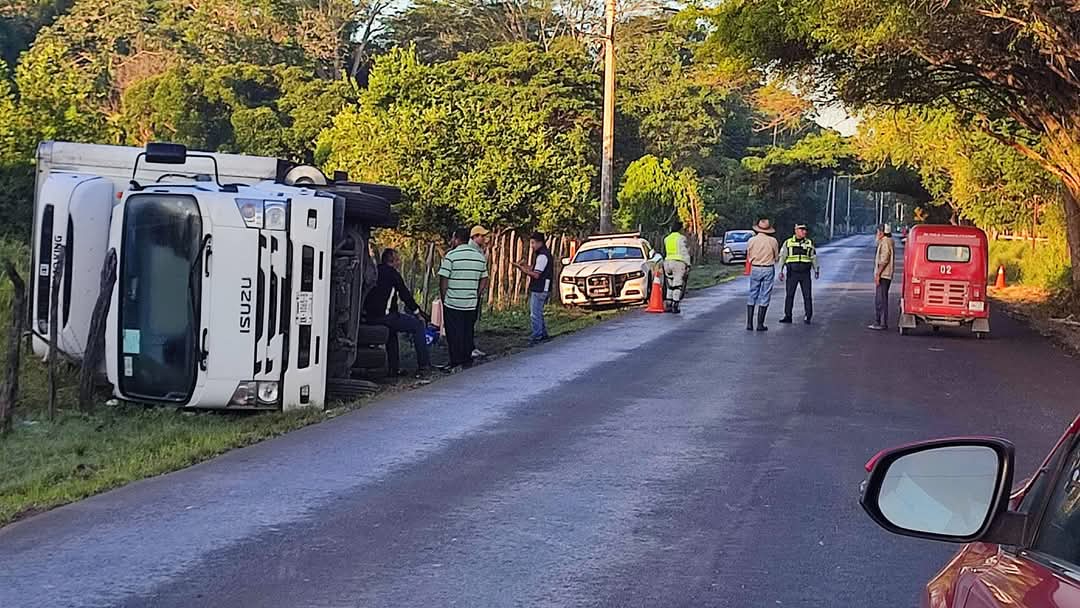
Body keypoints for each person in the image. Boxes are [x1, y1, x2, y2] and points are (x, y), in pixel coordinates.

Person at [365, 248, 432, 377]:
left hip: (370, 316)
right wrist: (418, 314)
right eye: (398, 259)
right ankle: (424, 365)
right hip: (386, 316)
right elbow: (405, 295)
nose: (400, 262)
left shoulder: (375, 271)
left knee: (392, 332)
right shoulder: (393, 274)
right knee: (417, 326)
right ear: (392, 261)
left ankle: (393, 369)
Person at [438, 227, 489, 370]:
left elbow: (444, 279)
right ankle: (467, 360)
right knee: (467, 331)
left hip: (453, 302)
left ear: (456, 238)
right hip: (471, 302)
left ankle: (455, 361)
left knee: (454, 333)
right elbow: (484, 279)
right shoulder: (479, 257)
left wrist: (444, 297)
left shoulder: (451, 256)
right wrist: (476, 294)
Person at [512, 232, 553, 345]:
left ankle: (537, 335)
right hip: (543, 286)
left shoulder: (542, 256)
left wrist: (523, 270)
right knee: (538, 312)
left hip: (540, 287)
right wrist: (524, 266)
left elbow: (536, 274)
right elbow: (535, 269)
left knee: (535, 313)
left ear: (540, 242)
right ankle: (542, 333)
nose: (532, 246)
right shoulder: (544, 255)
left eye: (533, 243)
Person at [778, 224, 820, 324]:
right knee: (789, 295)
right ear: (796, 231)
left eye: (805, 230)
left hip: (805, 273)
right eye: (801, 230)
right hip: (792, 272)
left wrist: (816, 269)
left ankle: (808, 316)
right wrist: (780, 270)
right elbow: (783, 257)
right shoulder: (788, 242)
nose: (804, 232)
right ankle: (788, 316)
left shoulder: (809, 243)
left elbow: (813, 257)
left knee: (807, 295)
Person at [745, 218, 780, 331]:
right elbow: (776, 256)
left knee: (752, 294)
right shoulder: (773, 241)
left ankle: (749, 324)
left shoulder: (751, 240)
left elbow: (749, 255)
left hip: (755, 268)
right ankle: (760, 324)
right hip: (768, 268)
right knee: (765, 295)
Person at [468, 225, 491, 359]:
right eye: (481, 236)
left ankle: (470, 347)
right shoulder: (473, 251)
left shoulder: (478, 250)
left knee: (471, 319)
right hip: (472, 289)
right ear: (475, 237)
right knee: (469, 320)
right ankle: (469, 348)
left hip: (474, 289)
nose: (484, 239)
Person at [869, 224, 896, 331]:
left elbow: (884, 259)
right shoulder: (888, 241)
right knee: (882, 298)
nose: (877, 234)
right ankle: (882, 322)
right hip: (886, 274)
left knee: (880, 299)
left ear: (882, 232)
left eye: (878, 232)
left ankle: (880, 322)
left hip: (884, 275)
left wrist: (878, 274)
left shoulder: (885, 242)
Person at [662, 219, 691, 314]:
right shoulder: (681, 238)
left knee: (670, 285)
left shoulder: (667, 239)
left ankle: (668, 304)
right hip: (678, 263)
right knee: (677, 285)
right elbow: (684, 252)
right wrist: (688, 264)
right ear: (680, 229)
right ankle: (675, 304)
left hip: (667, 263)